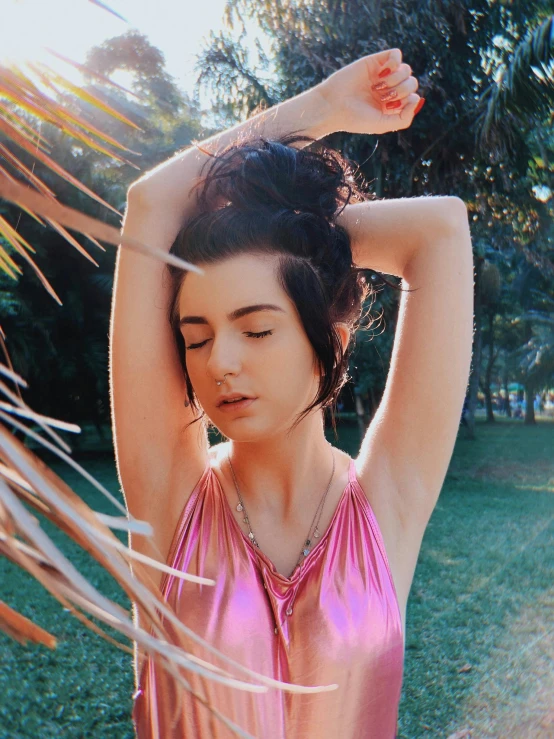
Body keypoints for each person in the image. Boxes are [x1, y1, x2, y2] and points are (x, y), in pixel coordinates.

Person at [110, 47, 474, 739]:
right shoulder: (171, 501)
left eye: (256, 328)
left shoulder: (387, 503)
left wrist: (306, 242)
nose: (220, 362)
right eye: (196, 335)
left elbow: (438, 230)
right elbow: (150, 203)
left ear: (327, 341)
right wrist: (323, 109)